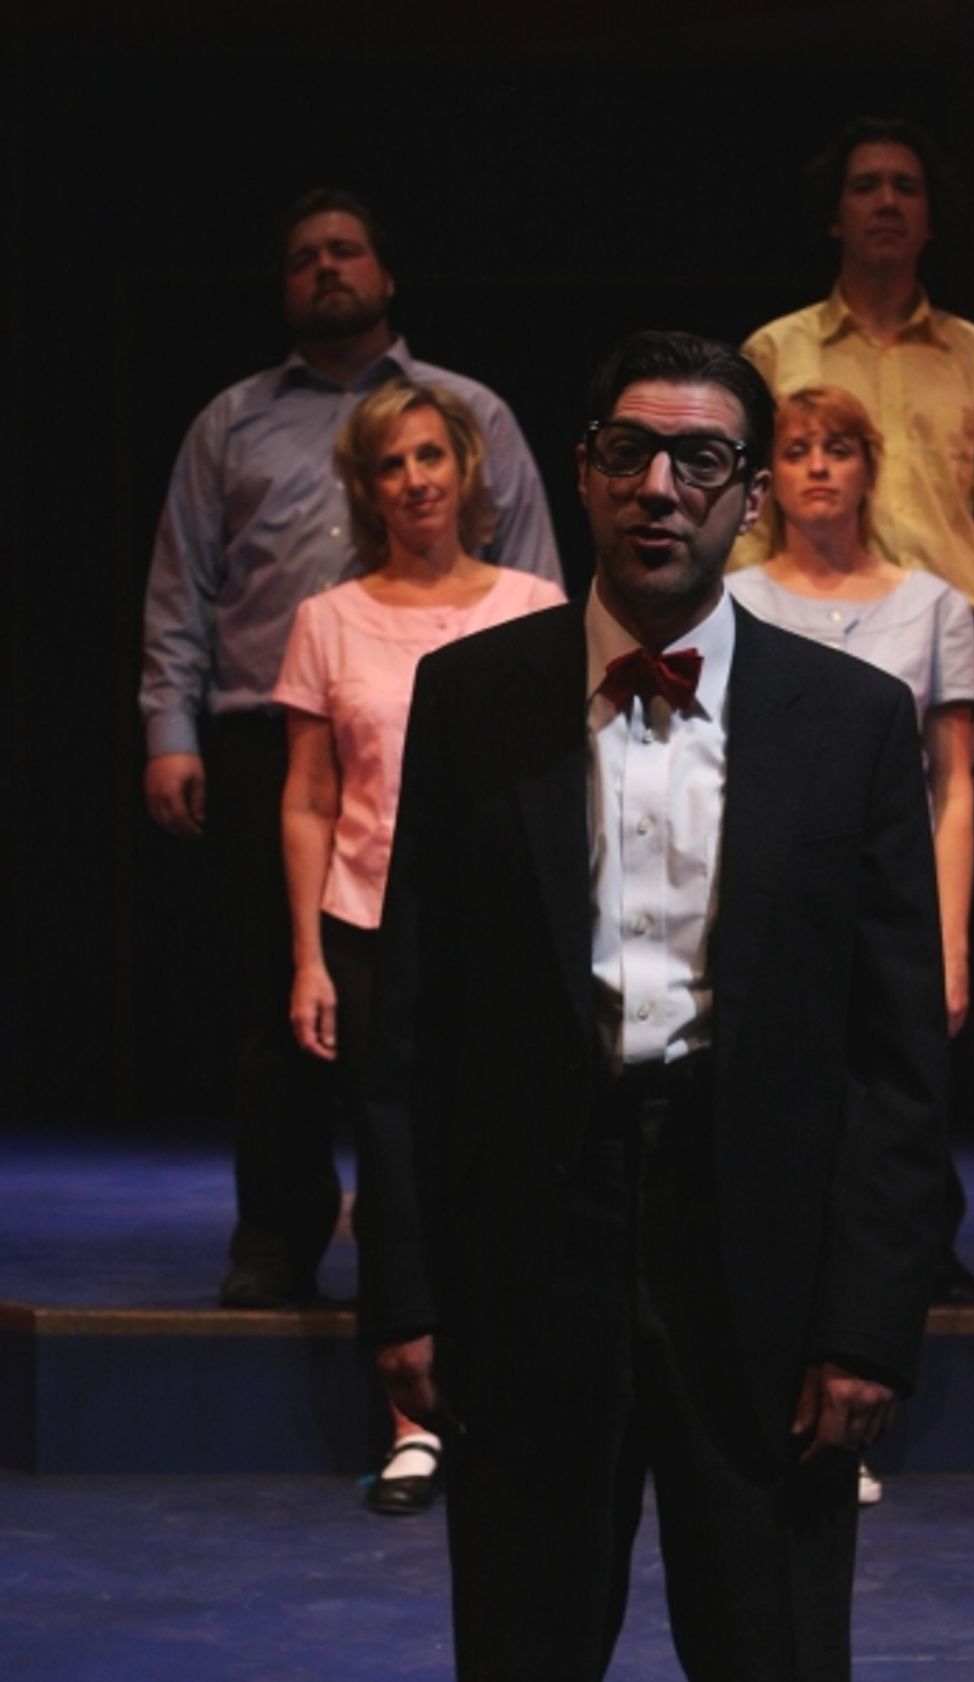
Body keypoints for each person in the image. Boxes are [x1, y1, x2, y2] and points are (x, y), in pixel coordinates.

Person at [357, 330, 948, 1680]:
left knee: (774, 1646)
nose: (661, 486)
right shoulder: (470, 698)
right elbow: (412, 1035)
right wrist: (400, 1290)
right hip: (529, 1250)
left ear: (748, 492)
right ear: (584, 476)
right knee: (524, 1640)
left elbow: (895, 1056)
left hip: (763, 1258)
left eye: (702, 458)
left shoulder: (850, 719)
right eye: (630, 453)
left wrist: (868, 1323)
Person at [140, 188, 562, 1309]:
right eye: (302, 257)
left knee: (457, 1020)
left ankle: (450, 1237)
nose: (326, 268)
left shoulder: (470, 411)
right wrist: (166, 729)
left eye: (347, 250)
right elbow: (185, 584)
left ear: (386, 274)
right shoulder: (231, 421)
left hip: (452, 750)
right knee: (286, 997)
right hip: (269, 740)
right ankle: (279, 1232)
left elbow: (536, 583)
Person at [274, 378, 563, 1511]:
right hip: (369, 923)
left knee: (514, 1151)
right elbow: (307, 798)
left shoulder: (536, 604)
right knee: (393, 1168)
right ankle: (412, 1418)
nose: (415, 480)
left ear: (467, 469)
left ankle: (519, 1390)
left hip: (506, 924)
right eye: (391, 464)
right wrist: (305, 952)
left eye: (432, 456)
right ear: (367, 485)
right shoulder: (327, 618)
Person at [729, 385, 974, 1477]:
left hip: (885, 907)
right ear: (768, 477)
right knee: (779, 1143)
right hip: (769, 911)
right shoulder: (732, 598)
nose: (820, 467)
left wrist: (951, 938)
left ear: (872, 470)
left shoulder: (932, 606)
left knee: (875, 1124)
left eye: (841, 448)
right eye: (797, 449)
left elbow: (954, 787)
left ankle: (848, 1384)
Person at [735, 116, 974, 798]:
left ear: (931, 218)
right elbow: (746, 519)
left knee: (941, 867)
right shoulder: (775, 352)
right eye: (866, 186)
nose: (886, 202)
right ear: (835, 216)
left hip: (951, 662)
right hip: (803, 636)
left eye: (906, 187)